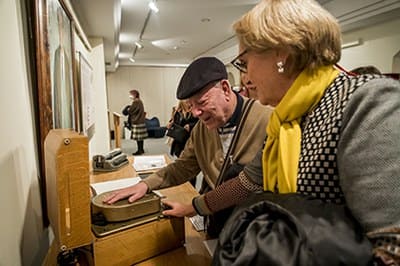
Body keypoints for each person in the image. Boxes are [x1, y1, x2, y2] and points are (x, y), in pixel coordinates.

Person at [201, 0, 399, 264]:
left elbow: (392, 247)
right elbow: (246, 184)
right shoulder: (285, 120)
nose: (245, 77)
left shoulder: (363, 101)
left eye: (244, 62)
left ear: (280, 53)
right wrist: (194, 207)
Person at [103, 57, 272, 221]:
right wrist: (145, 185)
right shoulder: (200, 130)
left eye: (202, 102)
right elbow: (183, 167)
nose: (196, 113)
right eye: (191, 106)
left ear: (226, 89)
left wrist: (193, 208)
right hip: (219, 222)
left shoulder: (268, 121)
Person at [125, 89, 148, 155]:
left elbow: (131, 111)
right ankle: (141, 149)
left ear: (135, 95)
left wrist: (128, 109)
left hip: (137, 121)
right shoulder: (139, 101)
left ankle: (139, 150)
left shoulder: (136, 102)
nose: (130, 96)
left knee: (138, 138)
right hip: (141, 121)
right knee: (140, 138)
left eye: (131, 94)